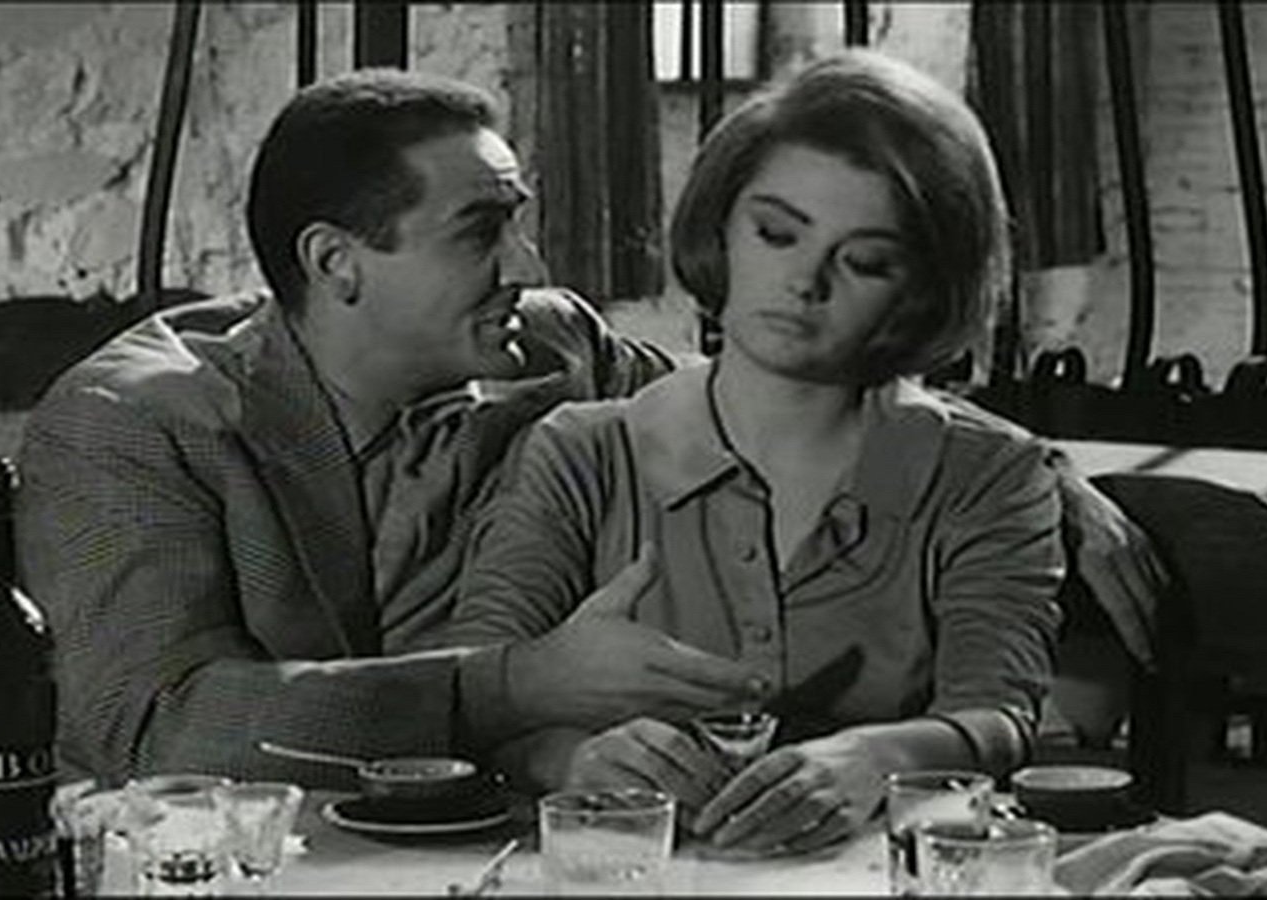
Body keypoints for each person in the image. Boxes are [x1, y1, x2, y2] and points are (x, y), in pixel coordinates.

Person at [15, 69, 767, 787]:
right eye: (480, 232)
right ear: (335, 261)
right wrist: (514, 688)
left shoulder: (556, 348)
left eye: (516, 223)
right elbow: (157, 732)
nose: (528, 267)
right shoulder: (135, 422)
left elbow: (776, 412)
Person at [441, 49, 1080, 855]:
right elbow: (472, 688)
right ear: (722, 227)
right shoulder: (583, 452)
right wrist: (571, 759)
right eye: (776, 233)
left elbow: (998, 714)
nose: (804, 282)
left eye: (865, 262)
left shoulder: (988, 473)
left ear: (922, 289)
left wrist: (880, 757)